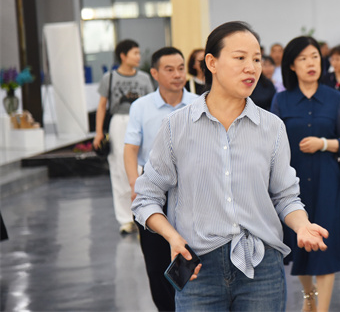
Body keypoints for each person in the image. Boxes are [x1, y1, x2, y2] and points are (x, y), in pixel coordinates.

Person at [132, 22, 328, 312]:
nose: (251, 68)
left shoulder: (271, 127)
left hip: (262, 267)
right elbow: (146, 198)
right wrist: (172, 237)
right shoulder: (176, 126)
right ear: (211, 63)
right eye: (240, 58)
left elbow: (285, 196)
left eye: (257, 59)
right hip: (197, 267)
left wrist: (302, 225)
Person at [271, 36, 340, 312]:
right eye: (303, 58)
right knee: (300, 242)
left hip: (328, 181)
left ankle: (323, 309)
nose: (311, 63)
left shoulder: (334, 98)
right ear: (292, 65)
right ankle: (309, 297)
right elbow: (271, 142)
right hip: (291, 183)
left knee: (325, 243)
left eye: (315, 57)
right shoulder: (281, 100)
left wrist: (324, 144)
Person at [123, 47, 198, 311]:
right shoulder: (141, 107)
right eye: (169, 69)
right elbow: (131, 149)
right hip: (153, 187)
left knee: (190, 257)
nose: (177, 75)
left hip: (192, 187)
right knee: (157, 264)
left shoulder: (199, 103)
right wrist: (135, 185)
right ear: (154, 73)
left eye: (181, 68)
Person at [94, 39, 153, 234]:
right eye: (135, 53)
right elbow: (102, 106)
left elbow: (151, 103)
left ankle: (144, 215)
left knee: (142, 167)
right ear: (123, 55)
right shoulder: (109, 78)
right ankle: (126, 219)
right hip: (119, 122)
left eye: (139, 53)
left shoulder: (144, 78)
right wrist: (99, 132)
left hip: (141, 122)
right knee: (120, 169)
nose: (139, 57)